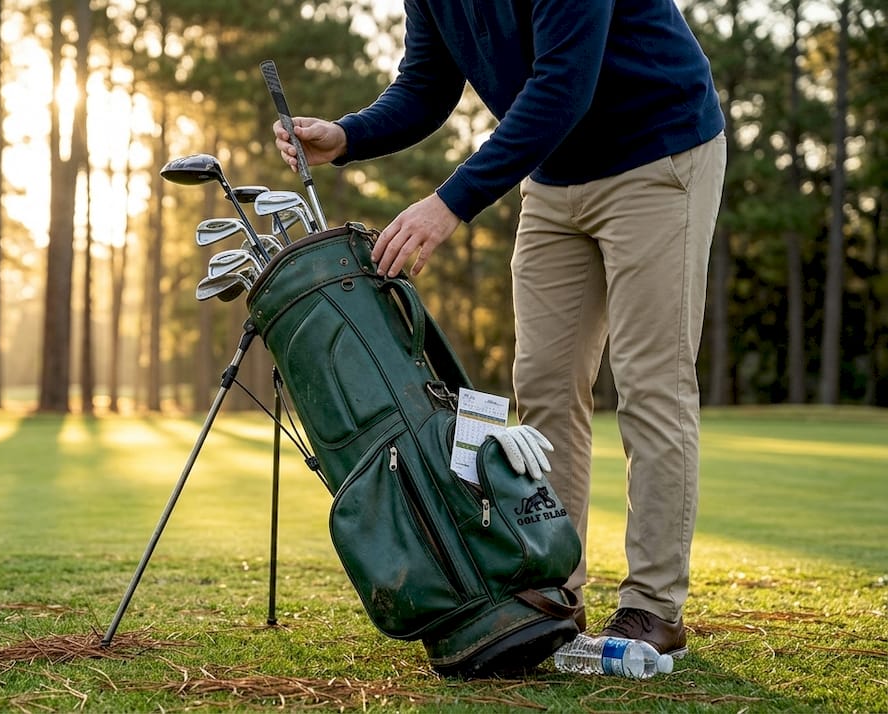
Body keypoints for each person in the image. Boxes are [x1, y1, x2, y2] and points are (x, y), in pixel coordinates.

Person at [274, 0, 726, 659]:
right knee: (542, 385)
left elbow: (563, 84)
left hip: (658, 152)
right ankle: (551, 586)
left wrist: (449, 204)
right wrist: (348, 137)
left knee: (651, 382)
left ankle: (652, 609)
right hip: (554, 175)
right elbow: (427, 83)